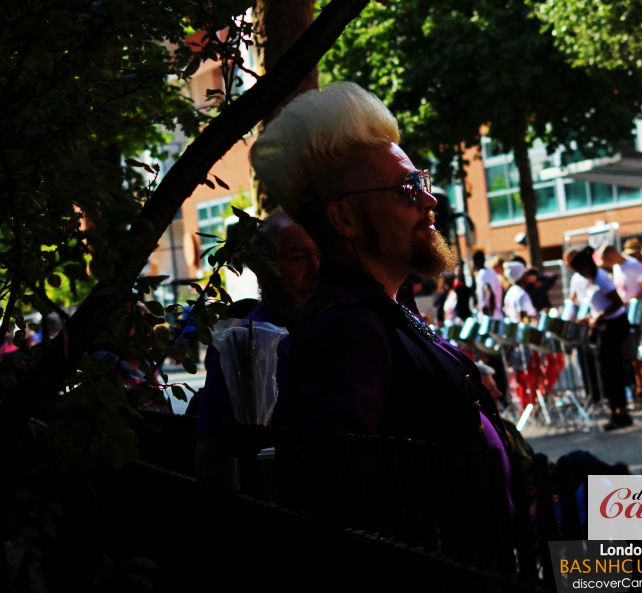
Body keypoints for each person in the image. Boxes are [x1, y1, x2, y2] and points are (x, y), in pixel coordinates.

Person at [250, 82, 513, 514]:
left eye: (421, 181)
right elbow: (330, 490)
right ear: (344, 218)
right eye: (407, 188)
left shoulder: (382, 306)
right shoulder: (348, 329)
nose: (428, 199)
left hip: (495, 556)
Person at [196, 209, 321, 488]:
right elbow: (211, 452)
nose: (316, 269)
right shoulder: (249, 341)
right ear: (262, 269)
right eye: (298, 258)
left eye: (321, 256)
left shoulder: (330, 331)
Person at [566, 247, 632, 431]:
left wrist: (600, 316)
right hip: (605, 325)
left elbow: (617, 303)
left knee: (611, 369)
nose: (579, 274)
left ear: (587, 265)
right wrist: (590, 316)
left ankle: (619, 413)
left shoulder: (602, 278)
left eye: (580, 269)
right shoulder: (590, 279)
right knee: (609, 371)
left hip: (614, 325)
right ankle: (618, 411)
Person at [600, 244, 642, 409]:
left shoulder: (633, 265)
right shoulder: (617, 268)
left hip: (638, 313)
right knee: (633, 356)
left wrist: (630, 300)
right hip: (626, 315)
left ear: (612, 255)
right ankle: (641, 390)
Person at [472, 249, 503, 319]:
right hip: (498, 315)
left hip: (491, 318)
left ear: (476, 261)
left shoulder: (482, 274)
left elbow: (489, 291)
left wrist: (490, 312)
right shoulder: (492, 272)